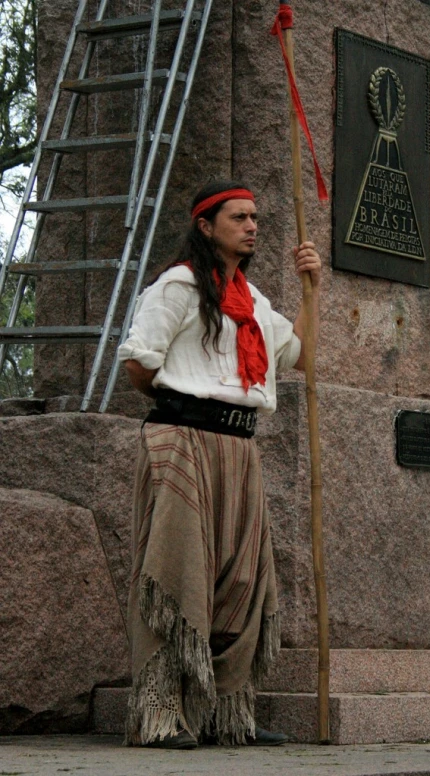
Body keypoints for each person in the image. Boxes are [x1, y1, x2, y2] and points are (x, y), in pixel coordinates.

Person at [118, 180, 321, 749]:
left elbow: (300, 355)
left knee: (240, 580)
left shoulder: (253, 301)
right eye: (239, 217)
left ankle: (227, 715)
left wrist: (311, 291)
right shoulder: (178, 285)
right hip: (183, 440)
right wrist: (184, 407)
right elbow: (139, 363)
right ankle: (161, 716)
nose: (252, 226)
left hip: (240, 445)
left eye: (255, 217)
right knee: (177, 574)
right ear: (206, 226)